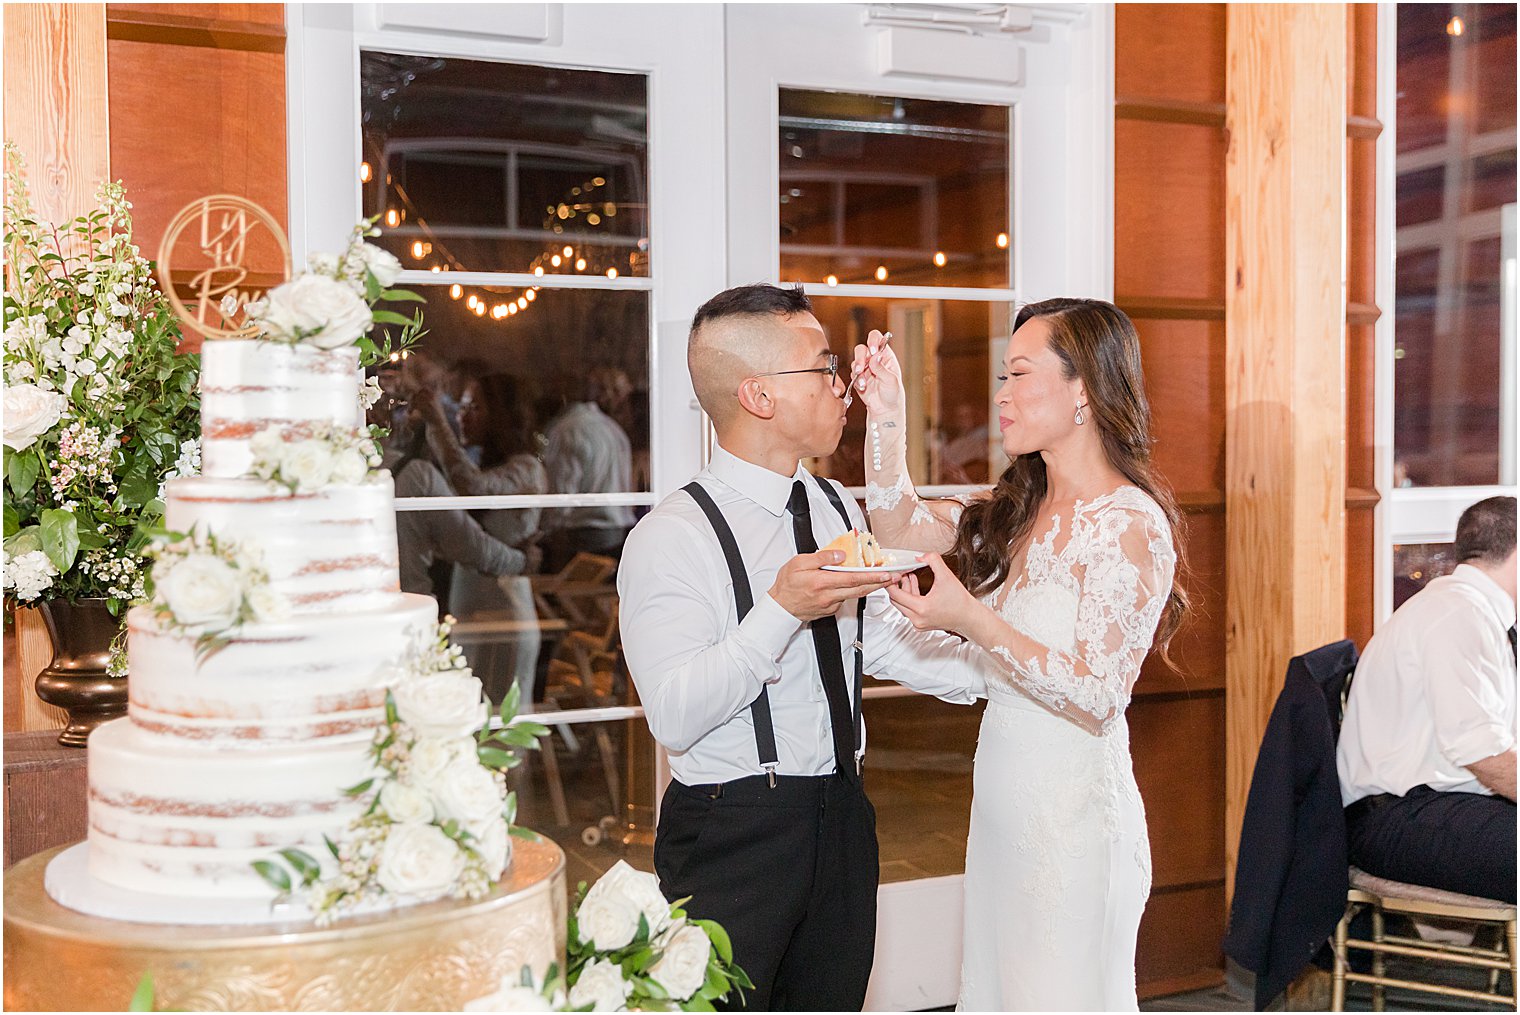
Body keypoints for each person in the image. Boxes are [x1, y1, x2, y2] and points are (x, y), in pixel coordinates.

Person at [618, 284, 988, 1012]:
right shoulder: (671, 537)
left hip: (843, 815)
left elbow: (871, 638)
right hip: (733, 834)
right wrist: (780, 609)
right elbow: (676, 715)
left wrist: (997, 664)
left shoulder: (833, 504)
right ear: (758, 395)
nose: (841, 386)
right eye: (822, 368)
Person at [853, 297, 1186, 1011]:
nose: (1000, 396)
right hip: (1004, 808)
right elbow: (899, 522)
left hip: (1071, 824)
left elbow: (1099, 693)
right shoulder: (1018, 506)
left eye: (1019, 376)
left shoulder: (1130, 524)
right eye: (1002, 377)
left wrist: (969, 617)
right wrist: (885, 415)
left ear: (1084, 391)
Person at [1336, 495, 1517, 903]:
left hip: (1437, 807)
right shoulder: (1457, 616)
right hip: (1394, 820)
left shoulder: (1475, 612)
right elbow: (1484, 755)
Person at [412, 373, 548, 701]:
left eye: (474, 407)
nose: (462, 415)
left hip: (505, 608)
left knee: (502, 724)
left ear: (501, 414)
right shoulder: (486, 464)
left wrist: (437, 423)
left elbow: (472, 488)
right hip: (468, 604)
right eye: (461, 407)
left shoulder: (527, 468)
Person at [542, 368, 637, 571]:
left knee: (570, 596)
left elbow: (562, 495)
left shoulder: (566, 430)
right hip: (618, 533)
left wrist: (545, 531)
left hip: (581, 536)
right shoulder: (611, 428)